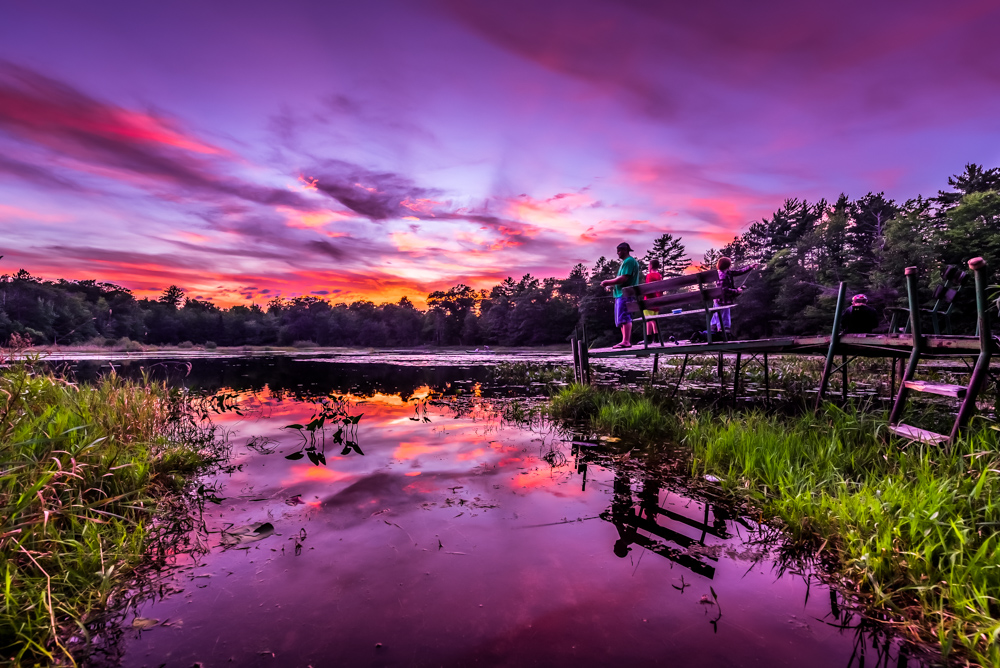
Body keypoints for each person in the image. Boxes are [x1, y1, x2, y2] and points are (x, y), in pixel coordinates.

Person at [600, 242, 640, 348]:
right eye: (617, 251)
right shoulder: (626, 262)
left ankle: (626, 341)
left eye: (619, 250)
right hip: (621, 294)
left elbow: (623, 278)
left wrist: (607, 282)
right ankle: (624, 341)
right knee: (621, 318)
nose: (618, 253)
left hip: (625, 294)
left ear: (625, 250)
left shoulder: (629, 261)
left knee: (625, 317)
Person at [709, 257, 759, 336]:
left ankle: (714, 331)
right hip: (722, 301)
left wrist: (750, 267)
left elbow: (739, 272)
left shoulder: (726, 272)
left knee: (717, 316)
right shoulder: (722, 275)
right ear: (727, 265)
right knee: (724, 317)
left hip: (718, 300)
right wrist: (736, 291)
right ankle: (722, 332)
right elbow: (723, 290)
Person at [644, 259, 663, 342]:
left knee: (650, 319)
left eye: (648, 265)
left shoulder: (649, 275)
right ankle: (650, 338)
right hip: (657, 301)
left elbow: (647, 289)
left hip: (649, 301)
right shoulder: (659, 275)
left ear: (651, 266)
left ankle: (654, 337)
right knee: (651, 319)